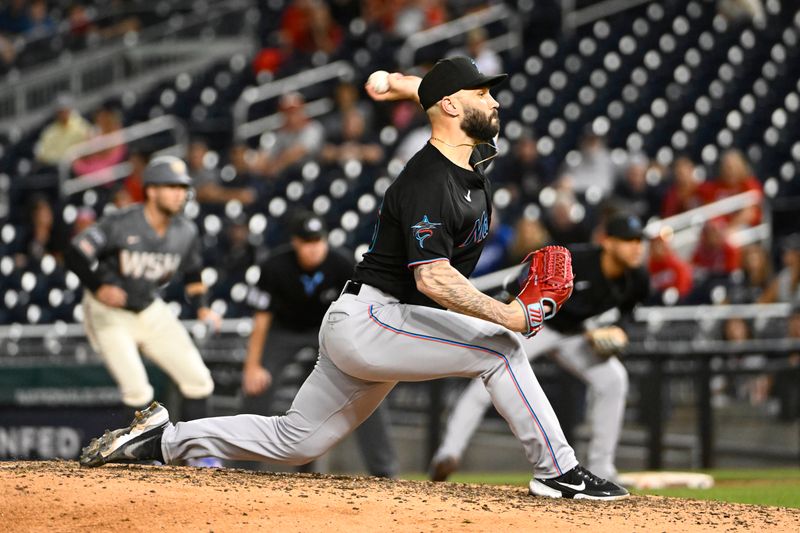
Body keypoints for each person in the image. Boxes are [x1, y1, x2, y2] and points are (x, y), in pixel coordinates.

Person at [78, 57, 628, 500]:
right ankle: (559, 471)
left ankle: (164, 440)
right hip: (375, 319)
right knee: (503, 347)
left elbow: (435, 95)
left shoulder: (467, 154)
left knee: (295, 441)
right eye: (484, 94)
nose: (496, 100)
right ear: (454, 106)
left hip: (377, 321)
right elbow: (435, 281)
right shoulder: (429, 181)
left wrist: (396, 83)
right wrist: (508, 312)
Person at [429, 213, 649, 483]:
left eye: (639, 240)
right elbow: (527, 274)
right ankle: (448, 453)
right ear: (609, 242)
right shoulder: (578, 259)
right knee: (489, 371)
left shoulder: (638, 278)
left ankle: (602, 467)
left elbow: (627, 314)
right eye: (628, 240)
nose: (637, 246)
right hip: (537, 326)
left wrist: (621, 331)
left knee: (613, 379)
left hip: (574, 333)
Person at [65, 156, 222, 467]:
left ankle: (197, 455)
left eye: (183, 188)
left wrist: (202, 309)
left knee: (199, 380)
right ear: (151, 190)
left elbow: (192, 275)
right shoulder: (121, 222)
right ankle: (134, 459)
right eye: (172, 186)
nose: (180, 193)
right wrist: (97, 287)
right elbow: (75, 252)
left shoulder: (185, 231)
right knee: (138, 389)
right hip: (108, 311)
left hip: (149, 308)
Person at [241, 210, 398, 477]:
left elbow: (360, 312)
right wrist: (252, 366)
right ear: (295, 242)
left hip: (327, 330)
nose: (314, 248)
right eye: (307, 242)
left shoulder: (340, 263)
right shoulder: (275, 266)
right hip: (284, 331)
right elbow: (261, 319)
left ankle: (385, 472)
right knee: (257, 386)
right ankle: (240, 469)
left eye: (318, 241)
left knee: (365, 387)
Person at [34, 94, 92, 167]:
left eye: (65, 110)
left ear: (69, 110)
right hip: (53, 167)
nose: (63, 114)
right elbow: (42, 155)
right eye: (60, 111)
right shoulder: (50, 132)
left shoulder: (81, 125)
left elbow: (88, 145)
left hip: (76, 165)